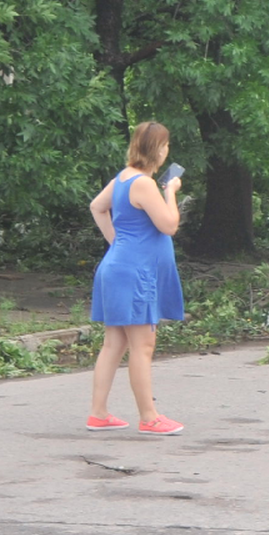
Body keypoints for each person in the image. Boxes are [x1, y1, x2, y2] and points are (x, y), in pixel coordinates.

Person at [86, 121, 186, 435]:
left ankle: (99, 413)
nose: (167, 150)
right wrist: (170, 191)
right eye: (165, 144)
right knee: (143, 345)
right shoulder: (143, 183)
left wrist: (117, 242)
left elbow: (96, 207)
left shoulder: (123, 177)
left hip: (119, 268)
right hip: (134, 274)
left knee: (114, 343)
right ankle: (149, 417)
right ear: (157, 150)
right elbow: (169, 225)